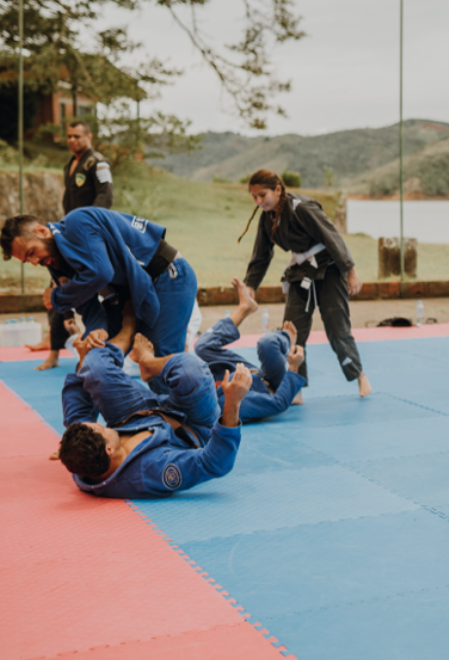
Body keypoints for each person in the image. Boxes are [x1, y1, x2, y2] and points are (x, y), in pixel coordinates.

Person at [56, 310, 250, 499]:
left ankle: (133, 333)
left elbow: (78, 418)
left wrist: (81, 363)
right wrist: (233, 403)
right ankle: (148, 361)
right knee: (191, 371)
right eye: (103, 429)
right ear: (109, 450)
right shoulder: (151, 472)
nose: (102, 424)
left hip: (135, 415)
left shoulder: (85, 459)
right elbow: (215, 463)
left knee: (92, 364)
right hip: (194, 425)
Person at [0, 208, 197, 367]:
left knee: (157, 360)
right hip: (131, 292)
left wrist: (57, 296)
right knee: (94, 357)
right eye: (27, 260)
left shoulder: (77, 222)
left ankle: (197, 413)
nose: (34, 262)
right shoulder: (55, 264)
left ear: (42, 231)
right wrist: (97, 330)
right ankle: (89, 417)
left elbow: (100, 273)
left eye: (32, 252)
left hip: (167, 274)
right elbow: (86, 305)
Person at [239, 169, 371, 398]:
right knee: (291, 329)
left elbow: (332, 236)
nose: (259, 201)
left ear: (278, 190)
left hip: (329, 268)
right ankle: (296, 387)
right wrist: (250, 285)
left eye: (263, 195)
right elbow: (261, 254)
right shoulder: (267, 217)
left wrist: (350, 271)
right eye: (255, 197)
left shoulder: (302, 208)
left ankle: (359, 375)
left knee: (337, 326)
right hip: (302, 272)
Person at [27, 121, 114, 370]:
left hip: (88, 235)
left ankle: (100, 344)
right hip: (66, 235)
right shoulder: (70, 165)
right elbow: (68, 198)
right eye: (69, 136)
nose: (72, 140)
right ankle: (54, 350)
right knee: (55, 289)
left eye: (77, 136)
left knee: (99, 286)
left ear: (89, 137)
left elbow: (105, 195)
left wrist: (89, 226)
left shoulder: (98, 162)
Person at [193, 278, 308, 421]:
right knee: (268, 343)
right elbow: (278, 403)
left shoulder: (188, 387)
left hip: (241, 374)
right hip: (270, 388)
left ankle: (245, 307)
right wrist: (293, 367)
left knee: (201, 346)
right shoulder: (228, 402)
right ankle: (288, 343)